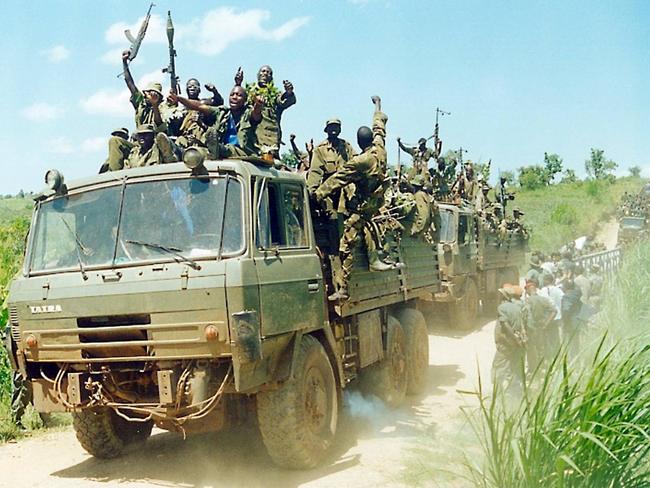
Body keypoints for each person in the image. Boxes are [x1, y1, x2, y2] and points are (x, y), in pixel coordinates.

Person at [314, 96, 392, 300]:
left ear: (358, 143)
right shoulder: (380, 149)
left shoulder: (360, 161)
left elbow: (337, 179)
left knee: (345, 245)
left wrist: (318, 194)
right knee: (366, 226)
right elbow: (379, 126)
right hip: (376, 203)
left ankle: (344, 289)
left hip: (362, 207)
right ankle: (376, 258)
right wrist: (377, 106)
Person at [168, 85, 263, 159]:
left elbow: (256, 114)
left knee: (227, 148)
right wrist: (179, 99)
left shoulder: (248, 114)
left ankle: (217, 148)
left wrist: (258, 105)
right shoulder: (222, 113)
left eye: (239, 95)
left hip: (242, 152)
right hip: (217, 150)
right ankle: (175, 152)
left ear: (245, 100)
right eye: (232, 94)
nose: (234, 97)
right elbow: (199, 106)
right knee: (197, 153)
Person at [237, 65, 296, 157]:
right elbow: (237, 103)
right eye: (263, 71)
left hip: (268, 138)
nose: (265, 74)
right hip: (249, 136)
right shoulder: (249, 92)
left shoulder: (275, 94)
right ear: (258, 75)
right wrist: (238, 84)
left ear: (271, 78)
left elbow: (284, 101)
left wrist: (289, 93)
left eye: (269, 73)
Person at [492, 284, 526, 397]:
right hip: (515, 345)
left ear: (503, 296)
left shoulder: (502, 308)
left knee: (498, 367)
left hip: (506, 344)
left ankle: (498, 394)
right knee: (513, 367)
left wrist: (513, 338)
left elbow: (505, 324)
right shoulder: (516, 307)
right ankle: (516, 392)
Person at [121, 50, 166, 132]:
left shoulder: (163, 108)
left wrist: (155, 104)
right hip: (140, 138)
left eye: (155, 94)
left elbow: (159, 124)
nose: (151, 95)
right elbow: (130, 83)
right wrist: (124, 62)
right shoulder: (141, 103)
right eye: (149, 92)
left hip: (156, 139)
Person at [307, 118, 356, 194]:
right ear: (327, 130)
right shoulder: (320, 149)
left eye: (336, 127)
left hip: (346, 189)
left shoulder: (346, 146)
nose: (334, 129)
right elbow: (315, 172)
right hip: (329, 190)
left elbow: (356, 162)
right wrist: (312, 191)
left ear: (340, 129)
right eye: (331, 127)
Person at [522, 280, 557, 374]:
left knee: (531, 350)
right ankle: (543, 368)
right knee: (541, 348)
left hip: (531, 329)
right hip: (541, 328)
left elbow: (524, 316)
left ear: (528, 290)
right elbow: (554, 311)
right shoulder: (543, 300)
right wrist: (546, 323)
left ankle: (533, 370)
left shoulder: (527, 301)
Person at [538, 273, 563, 360]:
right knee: (556, 338)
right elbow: (562, 300)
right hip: (557, 318)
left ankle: (549, 357)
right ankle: (557, 356)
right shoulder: (558, 290)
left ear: (546, 281)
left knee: (547, 339)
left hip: (547, 318)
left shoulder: (542, 291)